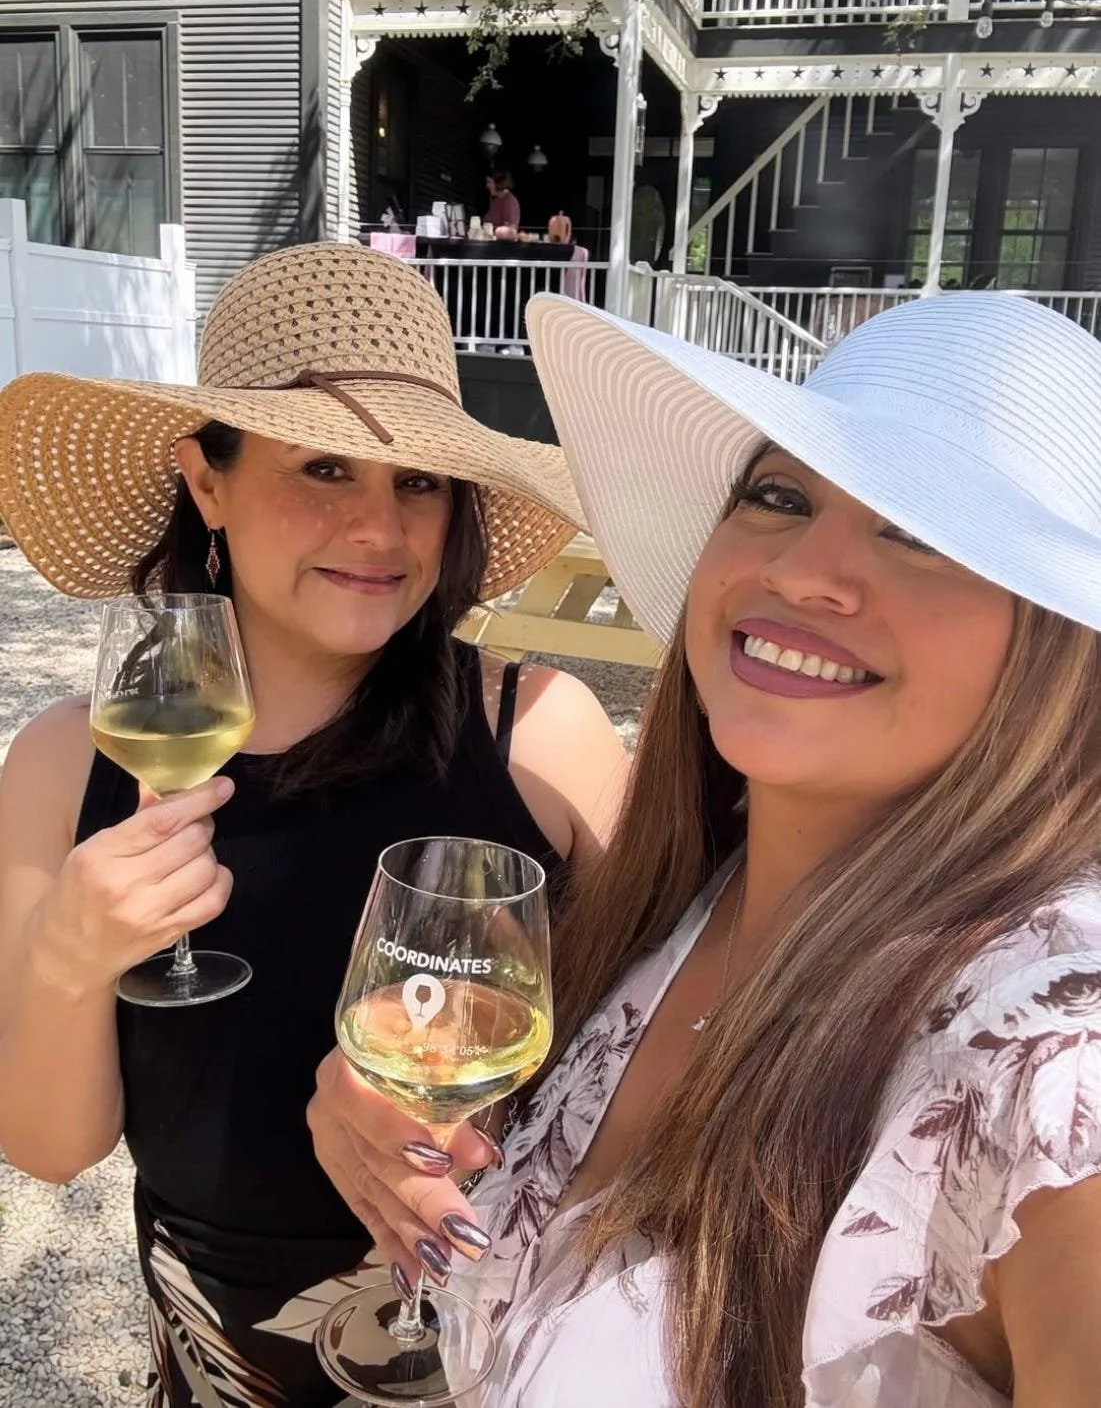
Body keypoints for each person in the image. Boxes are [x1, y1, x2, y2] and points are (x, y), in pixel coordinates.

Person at [309, 289, 1101, 1406]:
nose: (803, 570)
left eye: (920, 532)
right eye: (778, 496)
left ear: (1063, 646)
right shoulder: (680, 896)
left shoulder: (1047, 1055)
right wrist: (384, 1118)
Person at [0, 243, 627, 1407]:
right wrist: (68, 956)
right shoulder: (63, 765)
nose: (382, 530)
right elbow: (51, 1145)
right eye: (327, 468)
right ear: (206, 482)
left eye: (419, 482)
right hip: (219, 1366)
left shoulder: (539, 735)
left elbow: (683, 1048)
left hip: (497, 1354)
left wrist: (474, 1099)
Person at [484, 170, 521, 235]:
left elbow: (510, 231)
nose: (487, 186)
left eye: (489, 182)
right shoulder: (496, 201)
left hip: (503, 245)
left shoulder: (509, 202)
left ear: (498, 183)